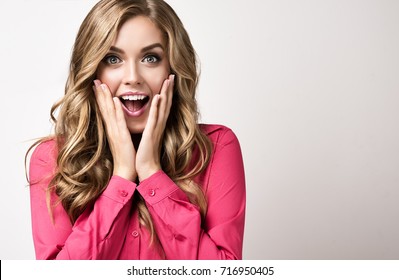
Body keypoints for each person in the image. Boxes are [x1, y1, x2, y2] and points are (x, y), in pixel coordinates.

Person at [27, 0, 245, 260]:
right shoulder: (52, 158)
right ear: (92, 70)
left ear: (173, 68)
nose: (133, 76)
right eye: (113, 59)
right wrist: (122, 176)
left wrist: (152, 172)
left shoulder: (217, 146)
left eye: (150, 58)